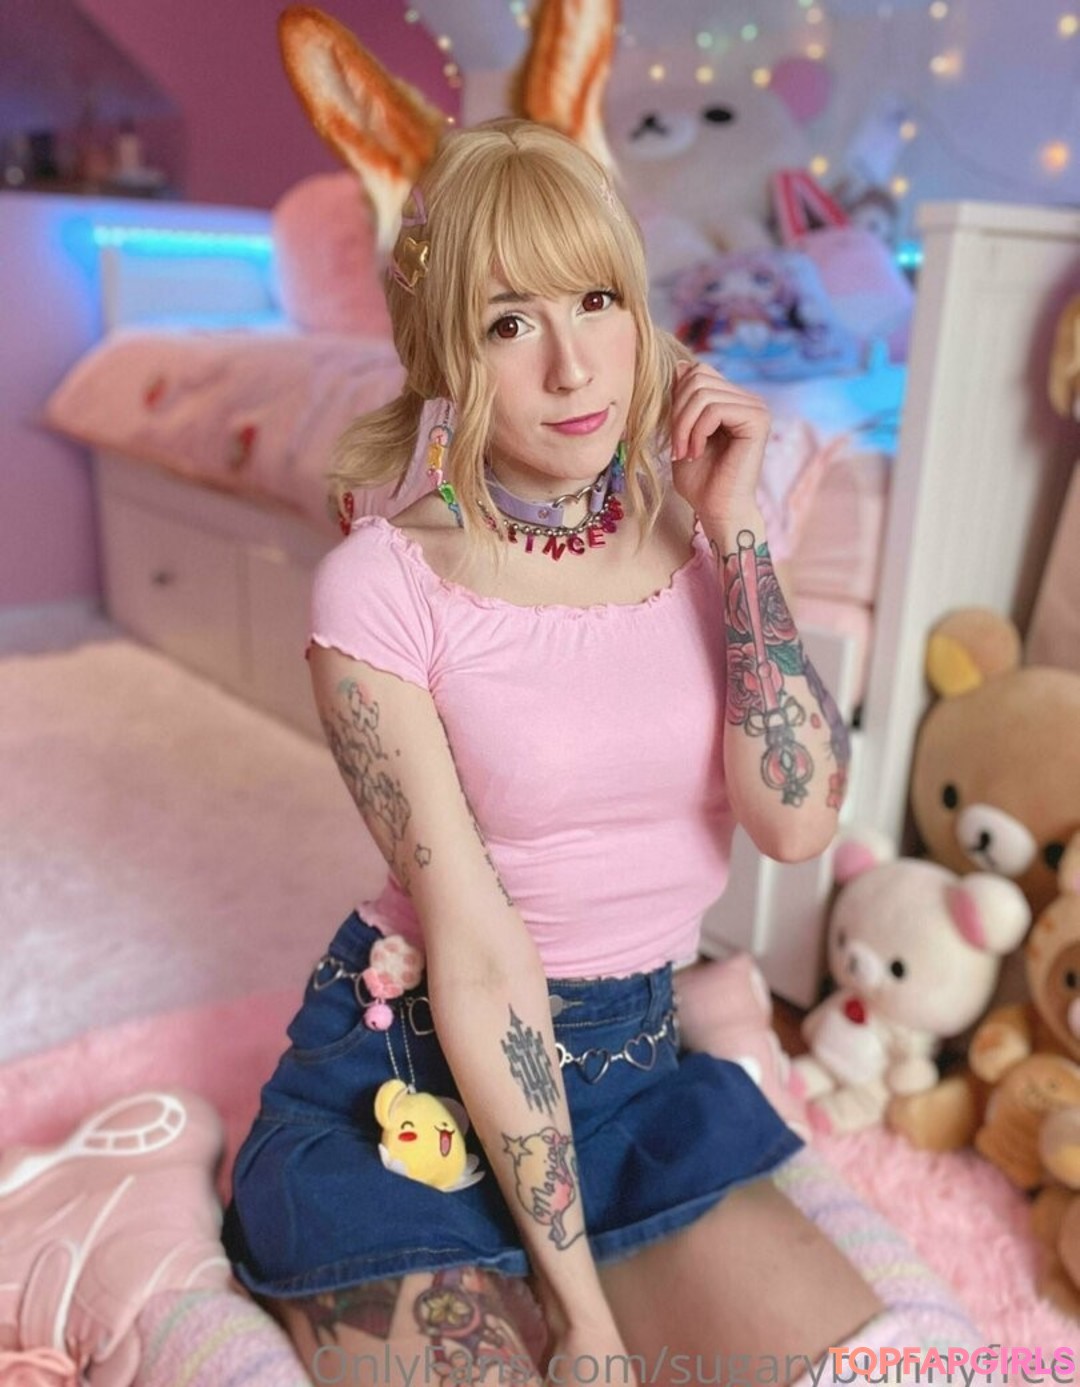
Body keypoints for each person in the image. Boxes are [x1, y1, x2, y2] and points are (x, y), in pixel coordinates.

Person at [223, 117, 912, 1386]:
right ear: (448, 357)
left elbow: (798, 821)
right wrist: (581, 1314)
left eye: (598, 299)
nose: (573, 364)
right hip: (411, 1077)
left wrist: (739, 532)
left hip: (635, 1070)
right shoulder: (382, 588)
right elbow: (481, 956)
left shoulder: (699, 544)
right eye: (509, 322)